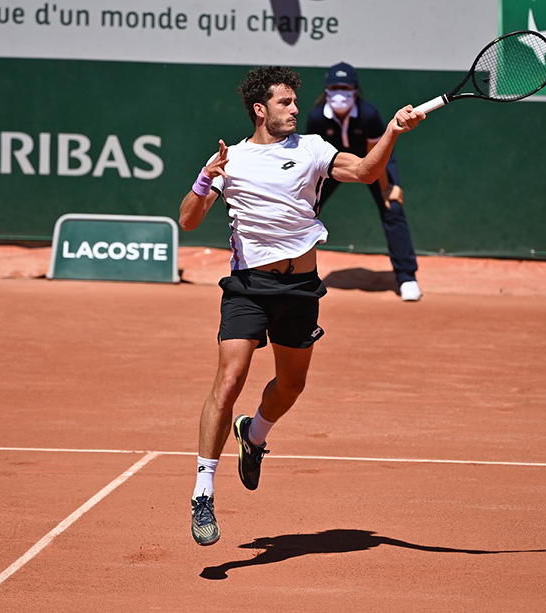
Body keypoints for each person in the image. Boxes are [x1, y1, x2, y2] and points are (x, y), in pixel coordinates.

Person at [178, 65, 425, 546]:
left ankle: (254, 435)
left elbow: (364, 171)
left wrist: (392, 131)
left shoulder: (312, 148)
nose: (295, 109)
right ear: (260, 109)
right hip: (249, 287)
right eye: (285, 102)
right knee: (228, 381)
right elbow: (188, 221)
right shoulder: (230, 159)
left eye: (295, 101)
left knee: (291, 385)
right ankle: (203, 492)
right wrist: (207, 178)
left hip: (301, 289)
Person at [305, 62, 423, 301]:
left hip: (374, 161)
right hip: (331, 163)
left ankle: (407, 277)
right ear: (326, 90)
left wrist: (387, 188)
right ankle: (296, 273)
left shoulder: (369, 115)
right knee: (304, 209)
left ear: (355, 90)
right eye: (335, 87)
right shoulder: (317, 118)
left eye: (345, 87)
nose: (340, 92)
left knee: (392, 206)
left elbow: (373, 160)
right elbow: (312, 157)